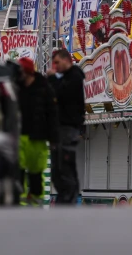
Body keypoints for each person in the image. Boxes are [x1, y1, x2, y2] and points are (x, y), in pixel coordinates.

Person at [15, 56, 57, 206]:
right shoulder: (15, 87)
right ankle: (18, 202)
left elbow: (52, 114)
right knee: (17, 170)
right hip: (18, 136)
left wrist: (53, 138)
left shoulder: (44, 88)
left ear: (27, 72)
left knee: (35, 172)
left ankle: (35, 201)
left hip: (37, 137)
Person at [47, 47, 85, 204]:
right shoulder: (66, 78)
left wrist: (53, 79)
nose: (55, 67)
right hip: (60, 129)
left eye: (57, 62)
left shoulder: (74, 77)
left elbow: (62, 94)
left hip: (68, 128)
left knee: (64, 166)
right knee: (57, 169)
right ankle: (65, 197)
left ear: (66, 60)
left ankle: (68, 199)